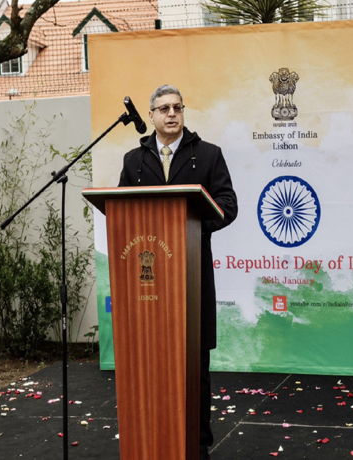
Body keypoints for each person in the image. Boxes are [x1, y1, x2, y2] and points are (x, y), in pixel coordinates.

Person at [118, 84, 238, 460]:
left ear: (183, 112)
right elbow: (122, 211)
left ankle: (197, 444)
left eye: (177, 108)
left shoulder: (207, 155)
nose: (171, 114)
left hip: (191, 278)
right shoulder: (133, 161)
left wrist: (191, 227)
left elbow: (227, 205)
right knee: (149, 364)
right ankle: (151, 436)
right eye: (163, 109)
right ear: (151, 116)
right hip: (146, 287)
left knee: (193, 367)